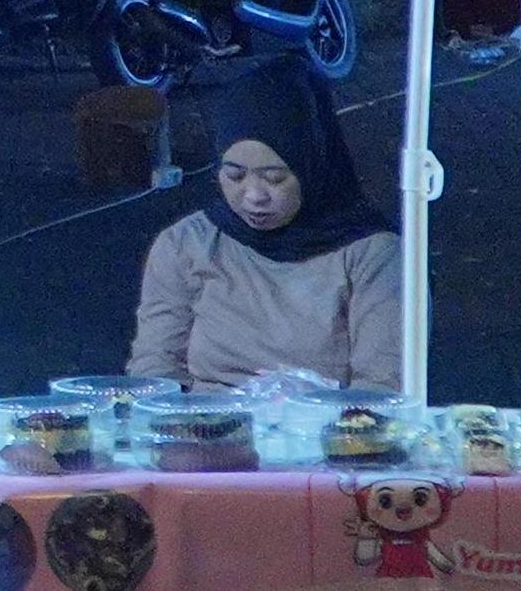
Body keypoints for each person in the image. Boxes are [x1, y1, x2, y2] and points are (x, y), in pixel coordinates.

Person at [128, 54, 401, 390]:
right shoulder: (187, 244)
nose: (254, 196)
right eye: (235, 175)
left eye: (274, 178)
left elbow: (382, 386)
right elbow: (156, 368)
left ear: (313, 168)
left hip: (324, 421)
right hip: (204, 419)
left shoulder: (373, 256)